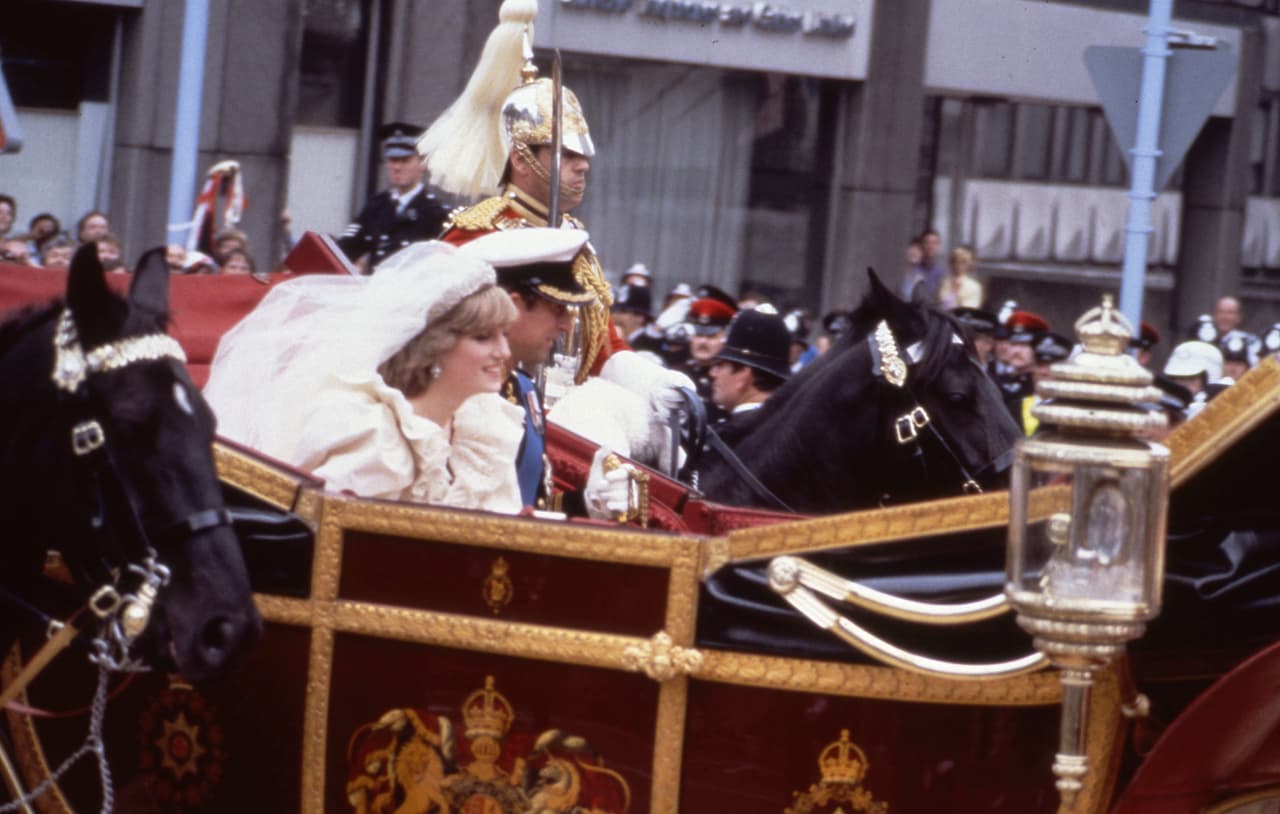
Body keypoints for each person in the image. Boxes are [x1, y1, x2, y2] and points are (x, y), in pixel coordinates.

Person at [205, 241, 526, 512]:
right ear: (436, 346)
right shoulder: (372, 433)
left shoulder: (484, 426)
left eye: (505, 335)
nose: (503, 352)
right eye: (484, 337)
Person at [455, 228, 633, 517]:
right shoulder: (457, 393)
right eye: (557, 309)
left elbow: (530, 503)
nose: (565, 325)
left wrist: (587, 503)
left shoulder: (525, 392)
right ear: (512, 307)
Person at [335, 122, 451, 272]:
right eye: (393, 160)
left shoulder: (436, 212)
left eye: (405, 160)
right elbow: (346, 249)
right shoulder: (376, 206)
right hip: (376, 288)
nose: (397, 167)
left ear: (422, 164)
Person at [707, 308, 791, 441]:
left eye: (720, 365)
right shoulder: (790, 429)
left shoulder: (729, 438)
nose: (712, 373)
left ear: (743, 374)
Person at [680, 285, 738, 423]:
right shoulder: (678, 372)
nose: (703, 342)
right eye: (699, 335)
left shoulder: (732, 379)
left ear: (725, 339)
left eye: (711, 337)